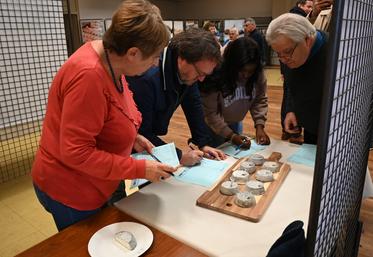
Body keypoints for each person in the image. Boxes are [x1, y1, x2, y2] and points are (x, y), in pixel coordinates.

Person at [31, 0, 175, 231]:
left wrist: (131, 136)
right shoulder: (89, 76)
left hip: (96, 182)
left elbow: (112, 109)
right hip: (70, 187)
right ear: (133, 53)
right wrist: (139, 169)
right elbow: (76, 152)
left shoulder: (111, 58)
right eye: (154, 57)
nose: (155, 64)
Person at [126, 28, 226, 166]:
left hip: (147, 136)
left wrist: (203, 143)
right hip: (125, 146)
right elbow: (140, 133)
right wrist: (178, 156)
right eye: (199, 72)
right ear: (182, 58)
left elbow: (193, 104)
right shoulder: (146, 77)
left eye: (205, 75)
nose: (201, 79)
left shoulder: (187, 74)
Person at [266, 13, 328, 144]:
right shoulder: (289, 52)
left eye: (287, 52)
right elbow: (290, 85)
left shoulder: (337, 53)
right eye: (278, 54)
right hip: (310, 126)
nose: (282, 60)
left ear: (308, 40)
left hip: (335, 128)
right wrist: (291, 110)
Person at [200, 37, 270, 148]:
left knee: (235, 154)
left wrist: (259, 126)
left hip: (235, 122)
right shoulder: (216, 75)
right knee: (217, 156)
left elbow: (259, 99)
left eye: (250, 71)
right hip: (212, 126)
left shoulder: (258, 74)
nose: (246, 75)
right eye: (242, 71)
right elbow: (211, 114)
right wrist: (231, 136)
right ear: (232, 65)